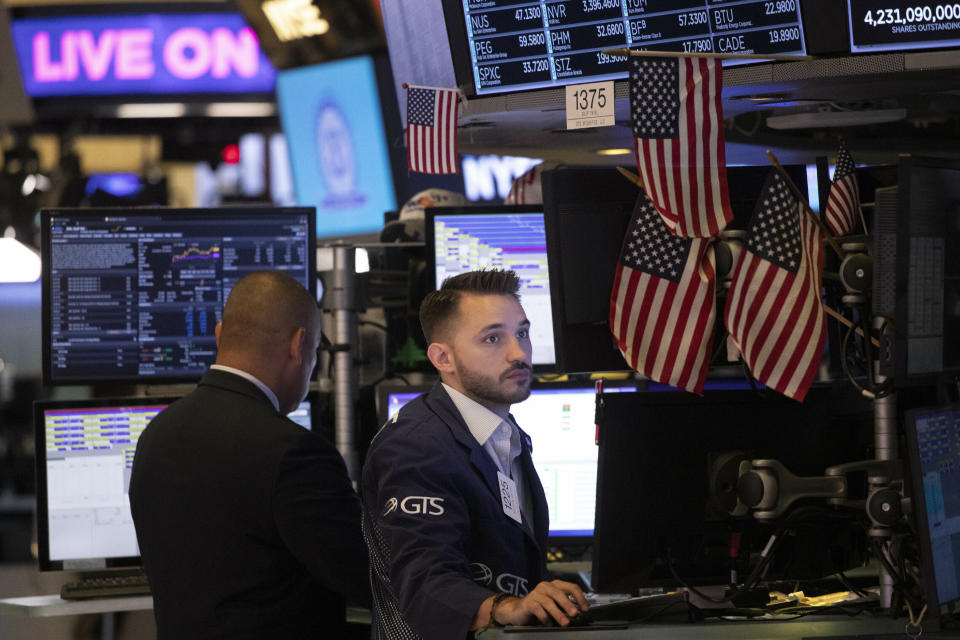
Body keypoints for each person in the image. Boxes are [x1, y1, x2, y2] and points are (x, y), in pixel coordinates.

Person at [129, 270, 369, 639]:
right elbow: (366, 575)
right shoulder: (294, 453)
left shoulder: (154, 436)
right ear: (298, 344)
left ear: (220, 335)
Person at [361, 269, 589, 639]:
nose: (519, 353)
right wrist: (508, 608)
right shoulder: (416, 445)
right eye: (493, 338)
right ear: (443, 358)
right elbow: (425, 580)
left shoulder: (507, 436)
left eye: (522, 334)